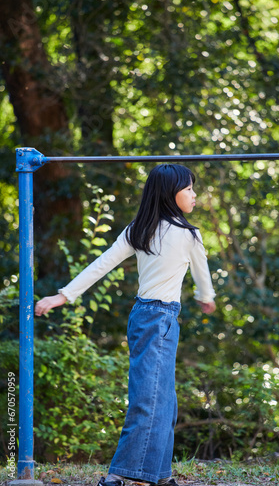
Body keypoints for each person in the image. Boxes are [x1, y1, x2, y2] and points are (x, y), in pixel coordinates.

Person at [35, 164, 216, 486]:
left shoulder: (163, 231)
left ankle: (159, 475)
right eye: (189, 189)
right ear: (170, 193)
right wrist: (63, 296)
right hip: (158, 319)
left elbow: (201, 274)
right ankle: (120, 473)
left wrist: (205, 295)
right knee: (150, 398)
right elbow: (102, 264)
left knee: (164, 399)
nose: (194, 194)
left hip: (149, 317)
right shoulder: (157, 231)